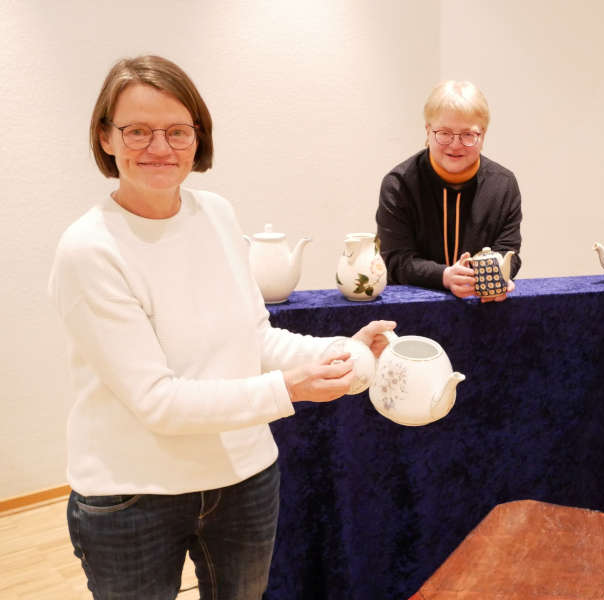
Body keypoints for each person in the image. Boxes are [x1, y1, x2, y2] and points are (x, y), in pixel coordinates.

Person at [48, 55, 395, 599]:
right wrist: (291, 389)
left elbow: (254, 337)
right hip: (132, 495)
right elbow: (158, 402)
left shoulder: (217, 214)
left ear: (197, 137)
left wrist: (336, 350)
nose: (159, 148)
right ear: (106, 138)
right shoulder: (89, 250)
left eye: (176, 131)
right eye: (137, 130)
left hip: (245, 479)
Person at [376, 80, 522, 302]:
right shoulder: (399, 184)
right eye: (443, 133)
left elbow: (508, 252)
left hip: (484, 310)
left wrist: (499, 275)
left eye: (468, 135)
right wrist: (444, 276)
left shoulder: (503, 184)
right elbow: (396, 260)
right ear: (427, 130)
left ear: (483, 135)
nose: (455, 145)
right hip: (413, 313)